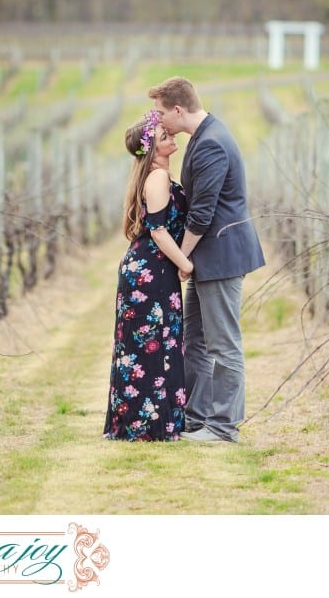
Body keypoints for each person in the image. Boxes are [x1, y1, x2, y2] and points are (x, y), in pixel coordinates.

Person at [149, 76, 265, 443]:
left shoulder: (212, 144)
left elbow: (202, 215)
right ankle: (195, 418)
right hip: (206, 259)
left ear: (178, 109)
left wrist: (180, 257)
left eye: (161, 113)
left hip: (221, 258)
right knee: (194, 338)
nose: (158, 122)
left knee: (223, 343)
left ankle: (223, 427)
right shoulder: (203, 137)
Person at [103, 109, 193, 442]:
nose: (170, 137)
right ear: (151, 150)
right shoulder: (156, 178)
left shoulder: (159, 174)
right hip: (149, 272)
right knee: (150, 346)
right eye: (162, 137)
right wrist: (185, 263)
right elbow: (157, 230)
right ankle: (148, 427)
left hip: (154, 269)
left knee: (157, 344)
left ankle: (155, 424)